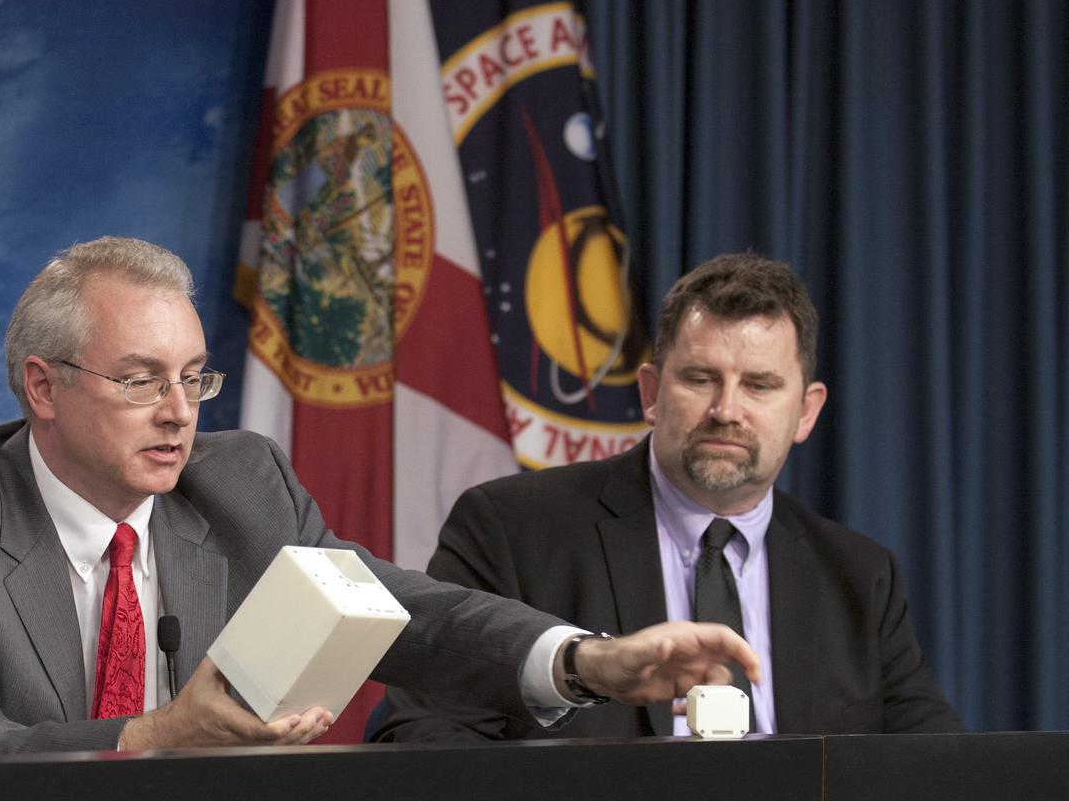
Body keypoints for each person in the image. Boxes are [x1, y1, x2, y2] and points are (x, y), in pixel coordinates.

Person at [0, 237, 760, 756]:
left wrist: (584, 662)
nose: (177, 415)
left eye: (194, 379)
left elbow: (405, 616)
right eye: (139, 380)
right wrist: (157, 736)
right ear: (42, 388)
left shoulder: (241, 482)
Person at [374, 252, 964, 743]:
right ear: (653, 392)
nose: (726, 411)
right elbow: (425, 733)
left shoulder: (859, 575)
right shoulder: (513, 530)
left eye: (759, 385)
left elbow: (941, 773)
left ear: (806, 411)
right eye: (701, 379)